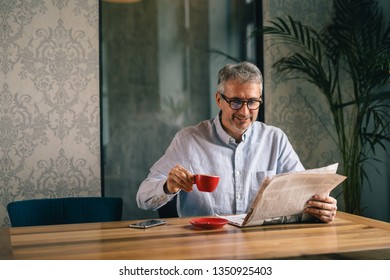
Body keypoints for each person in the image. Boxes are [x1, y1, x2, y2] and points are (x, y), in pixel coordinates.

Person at [137, 61, 337, 223]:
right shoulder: (188, 140)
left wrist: (322, 207)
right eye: (235, 102)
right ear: (219, 99)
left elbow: (302, 194)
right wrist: (168, 186)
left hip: (262, 246)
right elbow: (143, 198)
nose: (244, 111)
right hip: (202, 246)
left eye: (252, 102)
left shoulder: (275, 139)